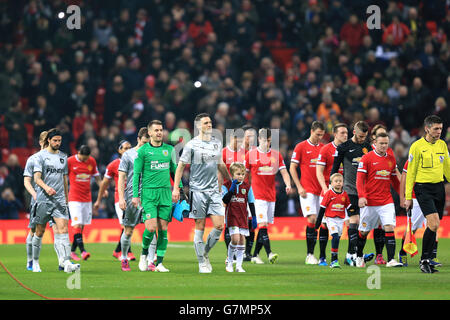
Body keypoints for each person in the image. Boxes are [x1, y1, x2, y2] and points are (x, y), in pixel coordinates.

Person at [172, 113, 232, 273]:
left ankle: (204, 253)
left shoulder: (216, 143)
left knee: (220, 225)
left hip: (214, 191)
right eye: (206, 123)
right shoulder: (191, 145)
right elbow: (180, 166)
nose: (209, 125)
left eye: (210, 122)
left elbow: (221, 165)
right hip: (197, 191)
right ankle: (201, 262)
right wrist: (176, 188)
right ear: (198, 126)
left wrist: (231, 182)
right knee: (200, 225)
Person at [133, 120, 182, 273]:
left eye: (161, 130)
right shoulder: (142, 152)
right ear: (150, 133)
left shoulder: (170, 150)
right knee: (151, 227)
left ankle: (159, 263)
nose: (159, 132)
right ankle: (143, 254)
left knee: (163, 228)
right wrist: (136, 196)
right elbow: (136, 175)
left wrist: (178, 189)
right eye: (156, 130)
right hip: (149, 194)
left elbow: (175, 171)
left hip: (165, 193)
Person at [404, 115, 450, 273]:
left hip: (439, 188)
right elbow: (410, 173)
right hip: (423, 188)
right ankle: (424, 260)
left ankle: (428, 258)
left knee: (434, 226)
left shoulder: (442, 145)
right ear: (427, 129)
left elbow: (447, 168)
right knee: (434, 223)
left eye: (440, 129)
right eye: (436, 129)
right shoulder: (416, 146)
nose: (439, 132)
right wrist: (408, 197)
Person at [31, 128, 80, 273]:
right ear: (48, 141)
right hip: (43, 199)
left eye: (59, 140)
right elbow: (37, 178)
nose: (58, 143)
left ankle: (66, 262)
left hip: (59, 200)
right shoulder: (40, 157)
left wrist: (66, 197)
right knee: (39, 232)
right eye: (55, 140)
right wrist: (46, 188)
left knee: (63, 229)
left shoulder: (63, 157)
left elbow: (64, 179)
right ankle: (35, 262)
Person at [355, 132, 402, 268]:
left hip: (386, 200)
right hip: (369, 202)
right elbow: (360, 180)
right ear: (374, 143)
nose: (384, 146)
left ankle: (391, 259)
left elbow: (395, 181)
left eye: (386, 143)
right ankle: (358, 256)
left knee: (389, 227)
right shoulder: (367, 158)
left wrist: (402, 197)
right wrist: (362, 196)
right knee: (363, 232)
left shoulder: (391, 159)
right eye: (381, 143)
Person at [246, 127, 292, 264]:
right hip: (256, 195)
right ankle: (269, 253)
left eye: (268, 140)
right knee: (263, 224)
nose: (265, 142)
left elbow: (284, 172)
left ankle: (254, 255)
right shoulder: (251, 155)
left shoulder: (276, 155)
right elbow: (245, 175)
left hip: (271, 195)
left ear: (270, 140)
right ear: (259, 139)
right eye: (263, 139)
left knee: (264, 226)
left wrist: (288, 184)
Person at [331, 121, 373, 266]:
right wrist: (334, 189)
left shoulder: (368, 147)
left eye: (365, 137)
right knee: (354, 221)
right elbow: (335, 169)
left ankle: (352, 254)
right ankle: (352, 255)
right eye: (360, 136)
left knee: (361, 223)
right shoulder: (343, 147)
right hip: (350, 190)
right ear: (354, 132)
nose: (362, 139)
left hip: (365, 192)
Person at [118, 127, 155, 271]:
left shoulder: (152, 153)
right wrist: (121, 198)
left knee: (151, 229)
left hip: (149, 196)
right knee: (128, 231)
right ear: (138, 139)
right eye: (144, 142)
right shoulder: (128, 155)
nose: (146, 145)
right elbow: (121, 177)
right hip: (132, 196)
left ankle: (151, 261)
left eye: (149, 142)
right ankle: (124, 258)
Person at [289, 121, 325, 265]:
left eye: (322, 135)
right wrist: (299, 186)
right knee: (312, 219)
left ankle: (321, 255)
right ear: (311, 131)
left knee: (321, 222)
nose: (319, 138)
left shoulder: (324, 148)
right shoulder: (301, 146)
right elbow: (292, 168)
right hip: (307, 189)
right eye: (317, 134)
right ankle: (310, 255)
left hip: (321, 190)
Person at [94, 140, 133, 260]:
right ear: (119, 150)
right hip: (119, 199)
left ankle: (117, 251)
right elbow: (104, 184)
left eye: (130, 148)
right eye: (125, 148)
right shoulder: (113, 165)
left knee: (130, 227)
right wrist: (98, 200)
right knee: (125, 227)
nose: (128, 150)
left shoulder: (137, 162)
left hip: (134, 199)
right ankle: (127, 253)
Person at [316, 123, 348, 265]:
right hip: (329, 190)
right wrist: (325, 188)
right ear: (335, 134)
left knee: (350, 223)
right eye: (342, 133)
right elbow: (319, 170)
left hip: (346, 191)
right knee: (323, 225)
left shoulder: (349, 149)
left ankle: (350, 256)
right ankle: (322, 256)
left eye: (346, 133)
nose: (345, 135)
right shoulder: (326, 149)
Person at [67, 145, 102, 261]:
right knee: (76, 224)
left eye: (86, 158)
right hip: (74, 198)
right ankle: (83, 251)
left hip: (87, 198)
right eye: (83, 158)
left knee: (81, 227)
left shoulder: (91, 161)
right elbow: (63, 176)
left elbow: (97, 177)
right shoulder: (70, 161)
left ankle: (72, 252)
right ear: (78, 153)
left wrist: (103, 188)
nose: (85, 161)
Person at [222, 162, 257, 273]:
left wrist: (254, 217)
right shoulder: (226, 185)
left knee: (242, 241)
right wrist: (232, 188)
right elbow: (225, 200)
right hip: (232, 216)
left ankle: (239, 266)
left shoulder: (247, 187)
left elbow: (251, 203)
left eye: (242, 174)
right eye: (238, 174)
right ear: (232, 174)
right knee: (235, 239)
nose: (241, 176)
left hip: (243, 217)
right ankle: (230, 262)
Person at [23, 131, 51, 270]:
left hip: (54, 200)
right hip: (38, 200)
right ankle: (30, 261)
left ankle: (63, 262)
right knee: (34, 230)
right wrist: (34, 194)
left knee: (59, 229)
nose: (48, 144)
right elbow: (27, 181)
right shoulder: (33, 159)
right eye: (45, 141)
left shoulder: (56, 159)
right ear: (40, 142)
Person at [315, 173, 354, 268]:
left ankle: (334, 259)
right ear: (331, 183)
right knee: (335, 237)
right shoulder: (328, 193)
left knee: (337, 239)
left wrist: (357, 210)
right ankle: (334, 260)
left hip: (340, 220)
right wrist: (318, 222)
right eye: (336, 181)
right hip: (330, 218)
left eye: (340, 181)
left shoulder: (344, 194)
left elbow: (349, 207)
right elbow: (322, 208)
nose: (338, 183)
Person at [220, 129, 246, 260]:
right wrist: (219, 188)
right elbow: (218, 171)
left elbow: (246, 172)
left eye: (241, 140)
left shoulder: (244, 153)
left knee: (241, 221)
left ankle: (238, 252)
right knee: (227, 221)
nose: (240, 143)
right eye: (238, 140)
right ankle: (230, 253)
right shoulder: (223, 153)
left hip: (241, 192)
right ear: (231, 138)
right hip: (226, 190)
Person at [398, 159, 428, 267]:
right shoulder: (411, 160)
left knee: (432, 225)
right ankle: (402, 253)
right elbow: (403, 179)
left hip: (430, 197)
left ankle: (429, 257)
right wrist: (403, 197)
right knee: (412, 229)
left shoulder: (434, 156)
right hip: (415, 198)